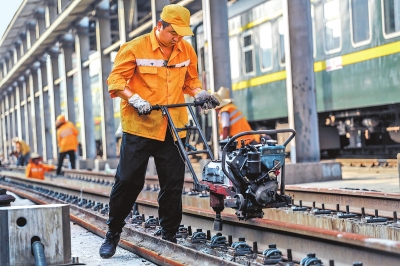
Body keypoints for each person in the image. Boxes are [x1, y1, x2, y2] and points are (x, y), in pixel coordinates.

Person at [99, 4, 219, 259]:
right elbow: (116, 81)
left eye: (181, 34)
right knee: (129, 181)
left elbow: (190, 82)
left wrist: (201, 93)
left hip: (173, 127)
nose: (178, 38)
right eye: (174, 33)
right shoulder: (134, 47)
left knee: (173, 184)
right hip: (140, 126)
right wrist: (134, 99)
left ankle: (169, 237)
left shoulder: (186, 50)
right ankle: (113, 233)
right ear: (160, 27)